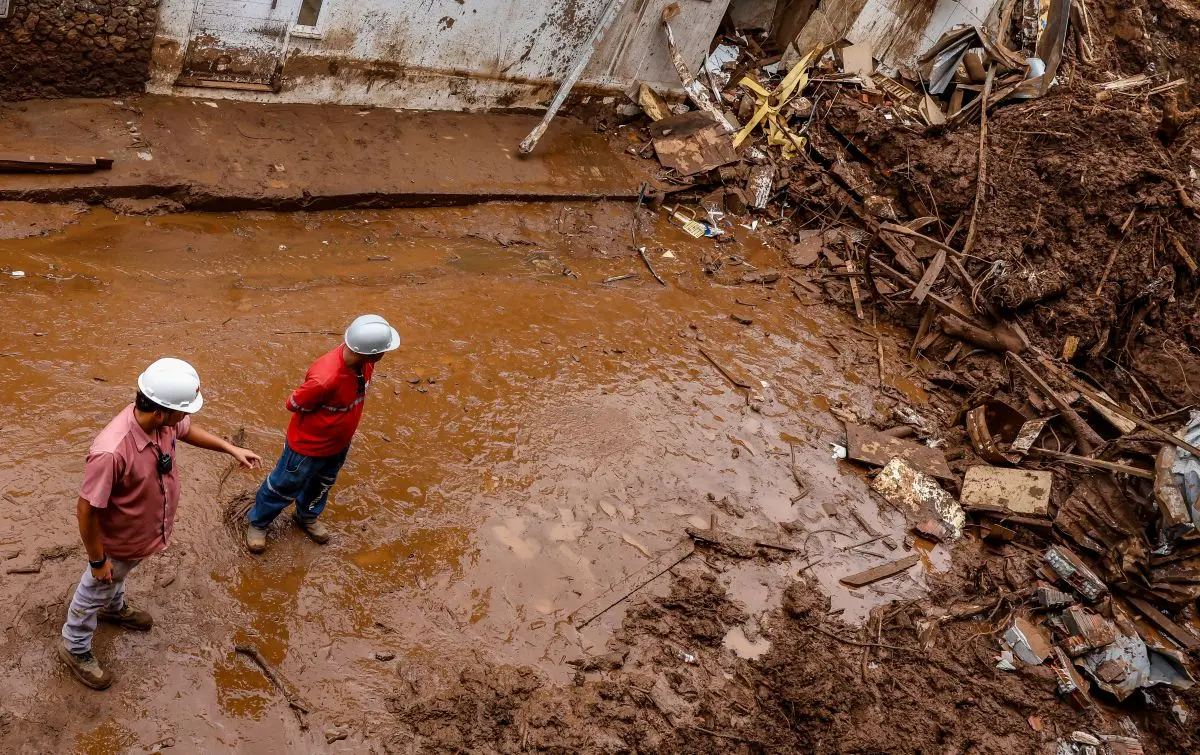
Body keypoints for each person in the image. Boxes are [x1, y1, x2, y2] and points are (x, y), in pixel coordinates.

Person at [60, 358, 261, 690]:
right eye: (182, 412)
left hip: (143, 533)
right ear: (159, 412)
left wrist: (230, 448)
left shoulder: (162, 422)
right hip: (118, 540)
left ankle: (114, 607)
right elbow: (86, 511)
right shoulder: (111, 452)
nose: (185, 418)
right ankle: (74, 646)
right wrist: (97, 560)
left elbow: (187, 430)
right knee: (96, 585)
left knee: (118, 576)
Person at [246, 314, 400, 554]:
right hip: (306, 448)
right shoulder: (325, 378)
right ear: (371, 353)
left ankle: (306, 515)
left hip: (338, 443)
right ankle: (259, 522)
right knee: (283, 485)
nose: (384, 355)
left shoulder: (365, 363)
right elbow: (293, 404)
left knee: (323, 483)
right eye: (383, 351)